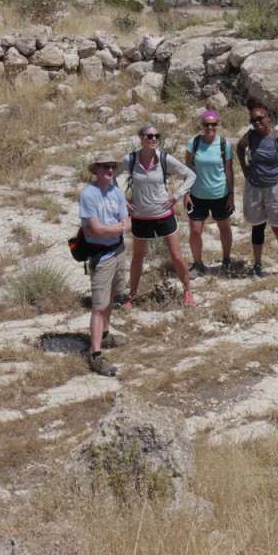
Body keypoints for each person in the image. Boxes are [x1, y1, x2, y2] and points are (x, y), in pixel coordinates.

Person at [117, 123, 197, 307]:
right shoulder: (130, 159)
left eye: (156, 136)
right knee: (138, 256)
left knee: (176, 256)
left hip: (163, 214)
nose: (153, 139)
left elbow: (191, 175)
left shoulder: (164, 158)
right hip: (140, 216)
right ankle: (133, 296)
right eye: (149, 136)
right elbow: (112, 176)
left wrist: (176, 196)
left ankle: (188, 293)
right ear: (141, 138)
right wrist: (123, 199)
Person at [79, 151, 131, 377]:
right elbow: (96, 230)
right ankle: (96, 354)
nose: (110, 170)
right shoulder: (89, 195)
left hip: (118, 250)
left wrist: (113, 229)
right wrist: (117, 227)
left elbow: (127, 223)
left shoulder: (117, 192)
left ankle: (106, 334)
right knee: (99, 306)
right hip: (102, 255)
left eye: (112, 166)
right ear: (96, 170)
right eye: (105, 166)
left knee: (111, 297)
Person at [237, 96, 278, 279]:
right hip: (254, 188)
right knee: (257, 227)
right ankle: (257, 264)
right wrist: (244, 168)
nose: (256, 123)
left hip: (275, 188)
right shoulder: (251, 136)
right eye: (253, 120)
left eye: (259, 119)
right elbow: (239, 148)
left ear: (268, 117)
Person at [185, 110, 235, 277]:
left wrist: (231, 194)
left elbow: (229, 171)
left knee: (224, 227)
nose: (210, 127)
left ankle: (227, 260)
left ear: (218, 125)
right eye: (207, 124)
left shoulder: (224, 145)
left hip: (220, 194)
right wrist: (186, 193)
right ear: (202, 125)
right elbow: (188, 170)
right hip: (197, 195)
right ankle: (197, 264)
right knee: (194, 230)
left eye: (214, 124)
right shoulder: (193, 143)